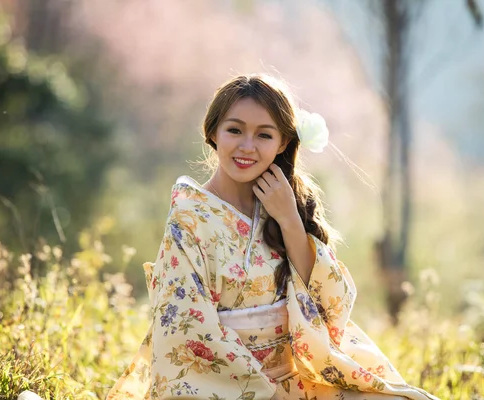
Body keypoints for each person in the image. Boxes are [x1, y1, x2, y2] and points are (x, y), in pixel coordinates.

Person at [106, 74, 439, 400]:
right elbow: (184, 327)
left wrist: (290, 219)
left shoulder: (286, 204)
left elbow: (332, 305)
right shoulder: (190, 217)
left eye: (264, 135)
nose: (246, 147)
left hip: (296, 380)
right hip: (224, 385)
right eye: (234, 130)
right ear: (213, 133)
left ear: (282, 142)